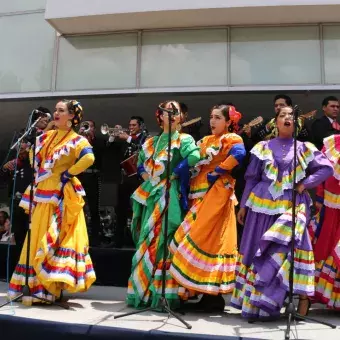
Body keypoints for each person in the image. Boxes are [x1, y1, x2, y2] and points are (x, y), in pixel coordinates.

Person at [231, 106, 333, 319]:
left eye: (292, 116)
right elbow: (252, 177)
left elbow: (326, 169)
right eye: (283, 115)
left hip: (291, 203)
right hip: (261, 204)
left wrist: (305, 184)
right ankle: (257, 303)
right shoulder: (263, 146)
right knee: (261, 246)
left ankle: (299, 298)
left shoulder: (304, 147)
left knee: (289, 248)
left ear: (297, 123)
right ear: (275, 122)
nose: (288, 118)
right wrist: (242, 206)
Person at [8, 99, 96, 306]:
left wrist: (68, 173)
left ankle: (51, 287)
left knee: (55, 236)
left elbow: (88, 158)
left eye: (61, 111)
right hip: (42, 191)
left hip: (60, 193)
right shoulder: (46, 137)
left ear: (72, 117)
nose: (56, 114)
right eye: (55, 110)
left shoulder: (76, 139)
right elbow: (32, 156)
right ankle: (35, 286)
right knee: (36, 235)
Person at [169, 104, 246, 312]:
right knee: (198, 238)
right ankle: (200, 291)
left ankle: (213, 295)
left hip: (218, 195)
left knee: (209, 240)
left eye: (218, 118)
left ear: (229, 121)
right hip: (200, 194)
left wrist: (220, 170)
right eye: (211, 117)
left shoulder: (231, 138)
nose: (212, 121)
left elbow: (239, 154)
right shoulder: (205, 141)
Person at [126, 100, 200, 309]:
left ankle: (163, 295)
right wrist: (144, 175)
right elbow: (140, 161)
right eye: (166, 111)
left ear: (180, 117)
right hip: (151, 194)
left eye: (174, 111)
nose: (170, 114)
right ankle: (143, 293)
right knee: (146, 238)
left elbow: (195, 156)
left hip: (170, 194)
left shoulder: (184, 139)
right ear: (160, 116)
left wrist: (176, 172)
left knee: (165, 239)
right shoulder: (152, 142)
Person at [306, 134, 340, 314]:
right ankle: (322, 294)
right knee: (324, 246)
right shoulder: (332, 142)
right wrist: (319, 195)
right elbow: (322, 169)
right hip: (329, 208)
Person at [108, 116, 148, 248]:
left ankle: (138, 241)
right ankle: (118, 240)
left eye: (134, 125)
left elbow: (144, 148)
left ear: (141, 126)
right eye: (129, 125)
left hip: (137, 178)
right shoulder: (126, 139)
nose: (130, 128)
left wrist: (128, 138)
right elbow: (110, 149)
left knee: (137, 209)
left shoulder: (145, 137)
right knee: (121, 209)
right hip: (124, 177)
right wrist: (113, 136)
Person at [78, 120, 103, 246]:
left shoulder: (97, 141)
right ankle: (79, 237)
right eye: (85, 126)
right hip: (80, 176)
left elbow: (99, 153)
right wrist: (79, 136)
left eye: (89, 126)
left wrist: (90, 138)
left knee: (94, 208)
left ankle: (95, 240)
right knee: (78, 207)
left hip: (93, 176)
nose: (87, 128)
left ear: (94, 129)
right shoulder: (78, 140)